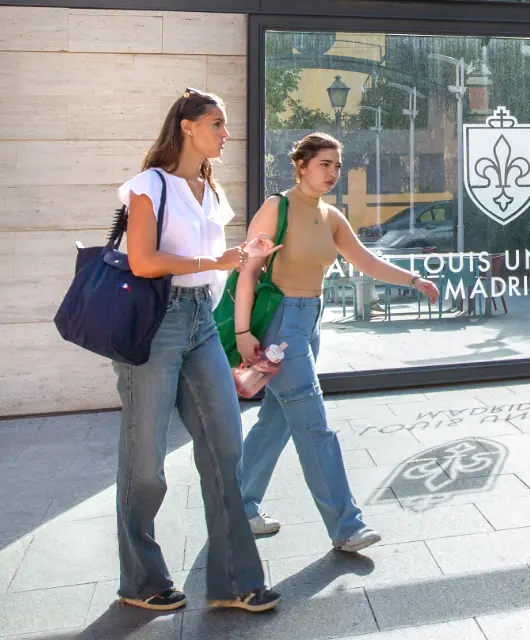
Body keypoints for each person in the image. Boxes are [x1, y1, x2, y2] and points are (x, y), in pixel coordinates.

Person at [116, 88, 281, 612]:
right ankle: (141, 580)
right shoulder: (149, 185)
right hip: (156, 324)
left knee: (225, 447)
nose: (226, 133)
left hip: (202, 323)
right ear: (187, 127)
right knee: (146, 463)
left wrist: (244, 257)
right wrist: (216, 260)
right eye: (216, 124)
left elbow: (214, 263)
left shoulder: (210, 190)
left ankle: (234, 581)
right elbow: (143, 261)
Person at [235, 132, 439, 551]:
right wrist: (242, 332)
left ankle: (237, 507)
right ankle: (347, 526)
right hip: (281, 324)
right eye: (324, 164)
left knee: (276, 420)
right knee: (314, 426)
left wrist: (414, 279)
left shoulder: (330, 216)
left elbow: (365, 259)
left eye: (337, 166)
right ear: (302, 165)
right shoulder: (278, 207)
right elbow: (248, 270)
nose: (332, 173)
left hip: (310, 321)